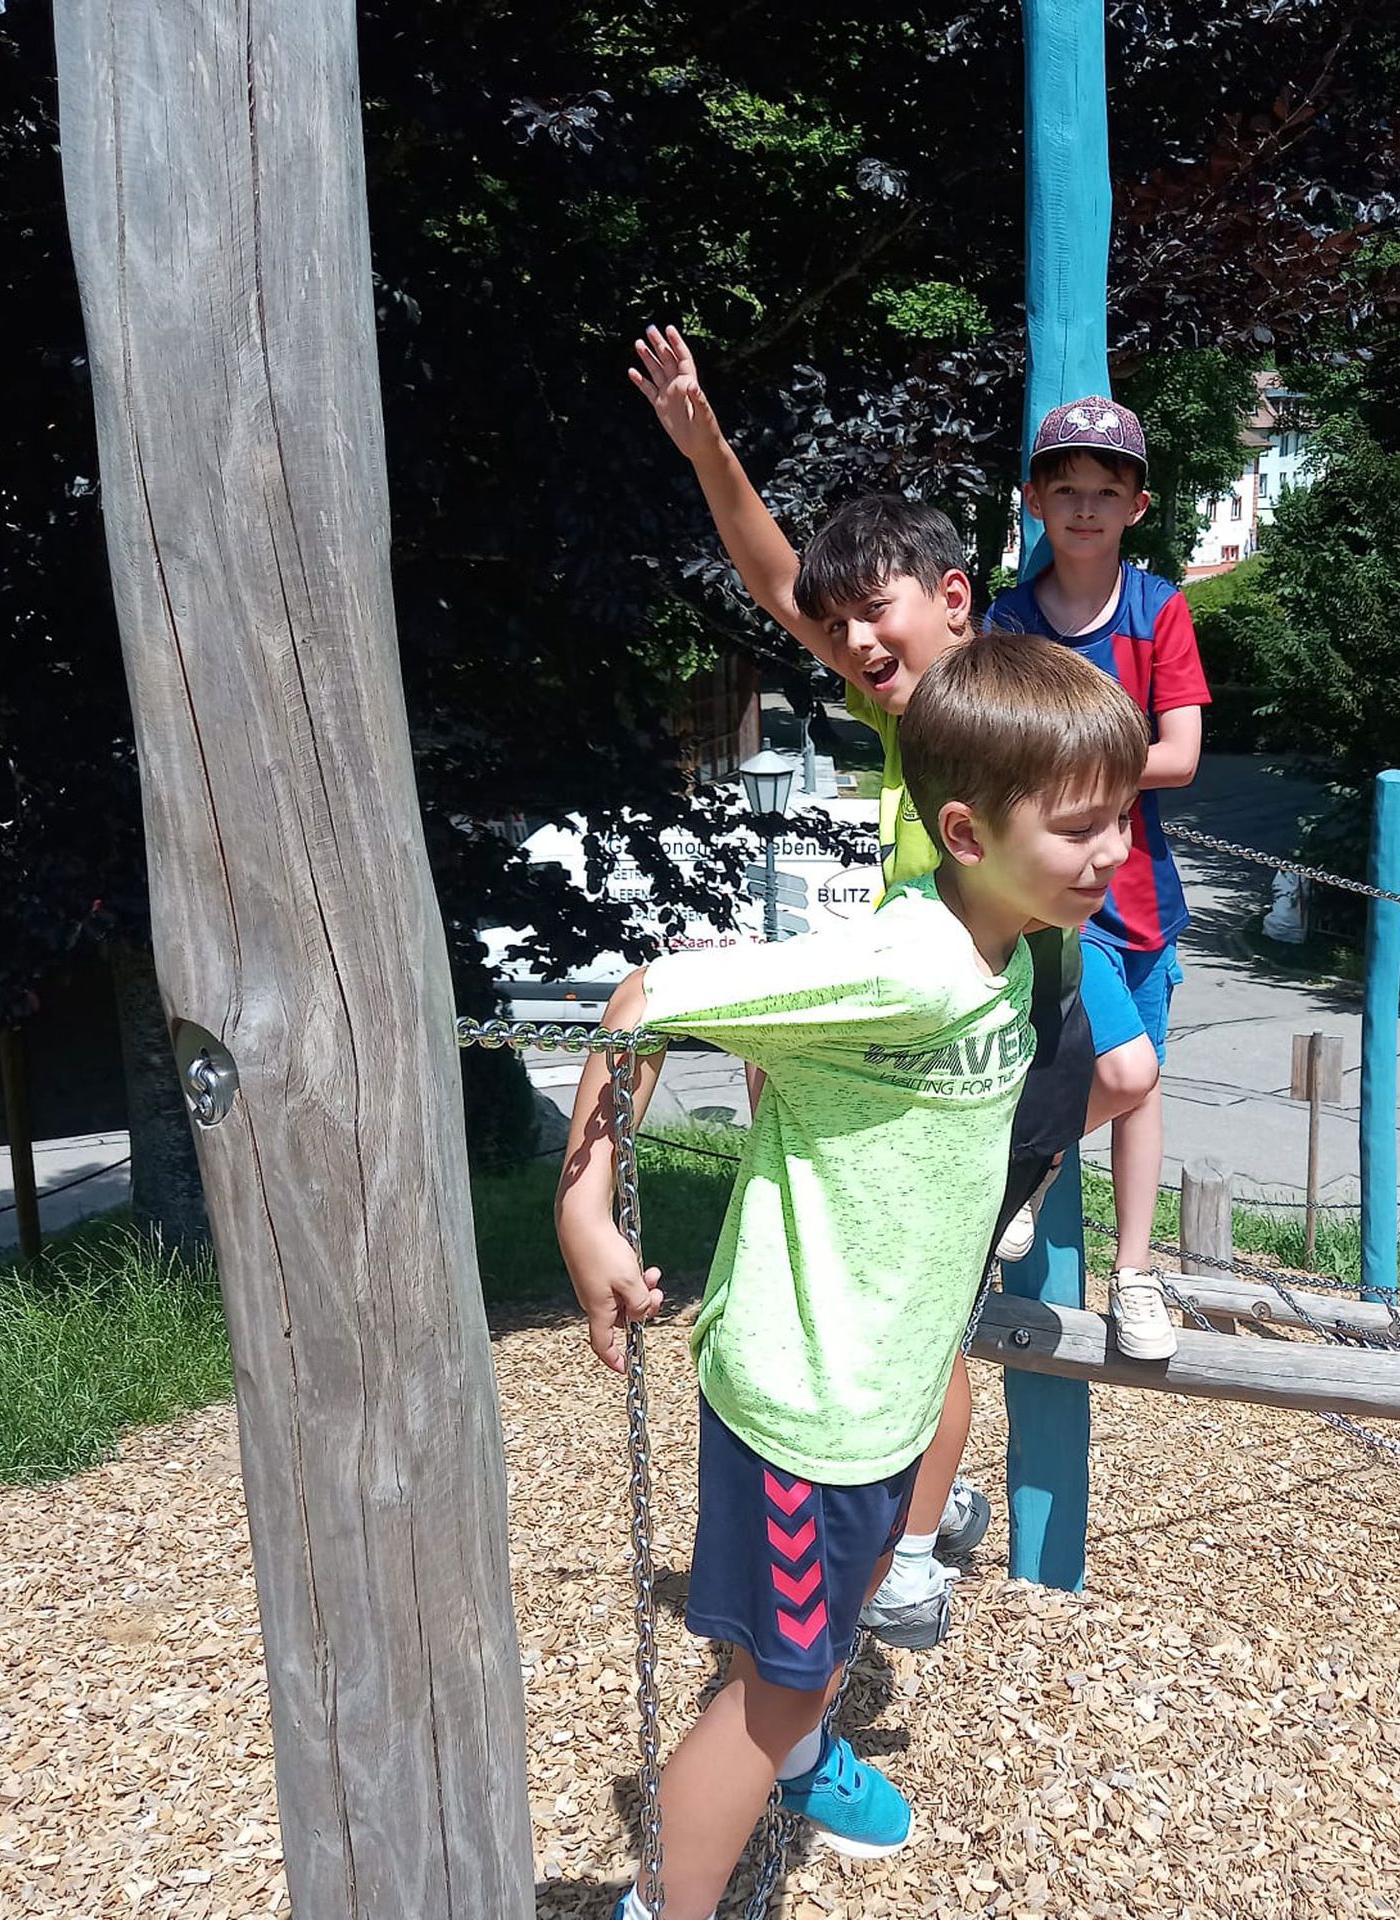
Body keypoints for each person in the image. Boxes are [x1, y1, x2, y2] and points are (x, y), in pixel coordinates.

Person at [558, 633, 1146, 1920]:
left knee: (819, 1631)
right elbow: (648, 997)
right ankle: (665, 1900)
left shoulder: (1019, 944)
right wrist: (584, 1211)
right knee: (773, 1692)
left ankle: (799, 1748)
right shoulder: (902, 968)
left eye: (1121, 817)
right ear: (966, 832)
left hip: (880, 1388)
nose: (1112, 852)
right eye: (1079, 827)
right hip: (811, 1405)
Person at [629, 325, 1097, 1649]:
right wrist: (706, 446)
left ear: (953, 597)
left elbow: (1081, 882)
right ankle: (908, 1520)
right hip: (933, 1019)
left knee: (926, 1322)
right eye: (836, 631)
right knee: (902, 1308)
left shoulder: (998, 711)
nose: (846, 640)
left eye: (873, 614)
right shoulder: (916, 712)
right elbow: (780, 582)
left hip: (993, 1035)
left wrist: (1067, 1080)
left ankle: (903, 1558)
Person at [982, 396, 1210, 1363]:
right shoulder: (1007, 620)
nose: (1084, 508)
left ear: (1137, 506)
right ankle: (1019, 1168)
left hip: (1142, 892)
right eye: (1066, 488)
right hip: (1052, 897)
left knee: (1142, 1085)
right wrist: (1096, 770)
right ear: (1034, 499)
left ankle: (1136, 1271)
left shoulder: (1160, 611)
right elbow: (998, 747)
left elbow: (1182, 755)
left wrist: (1067, 770)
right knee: (1120, 1069)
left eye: (1105, 492)